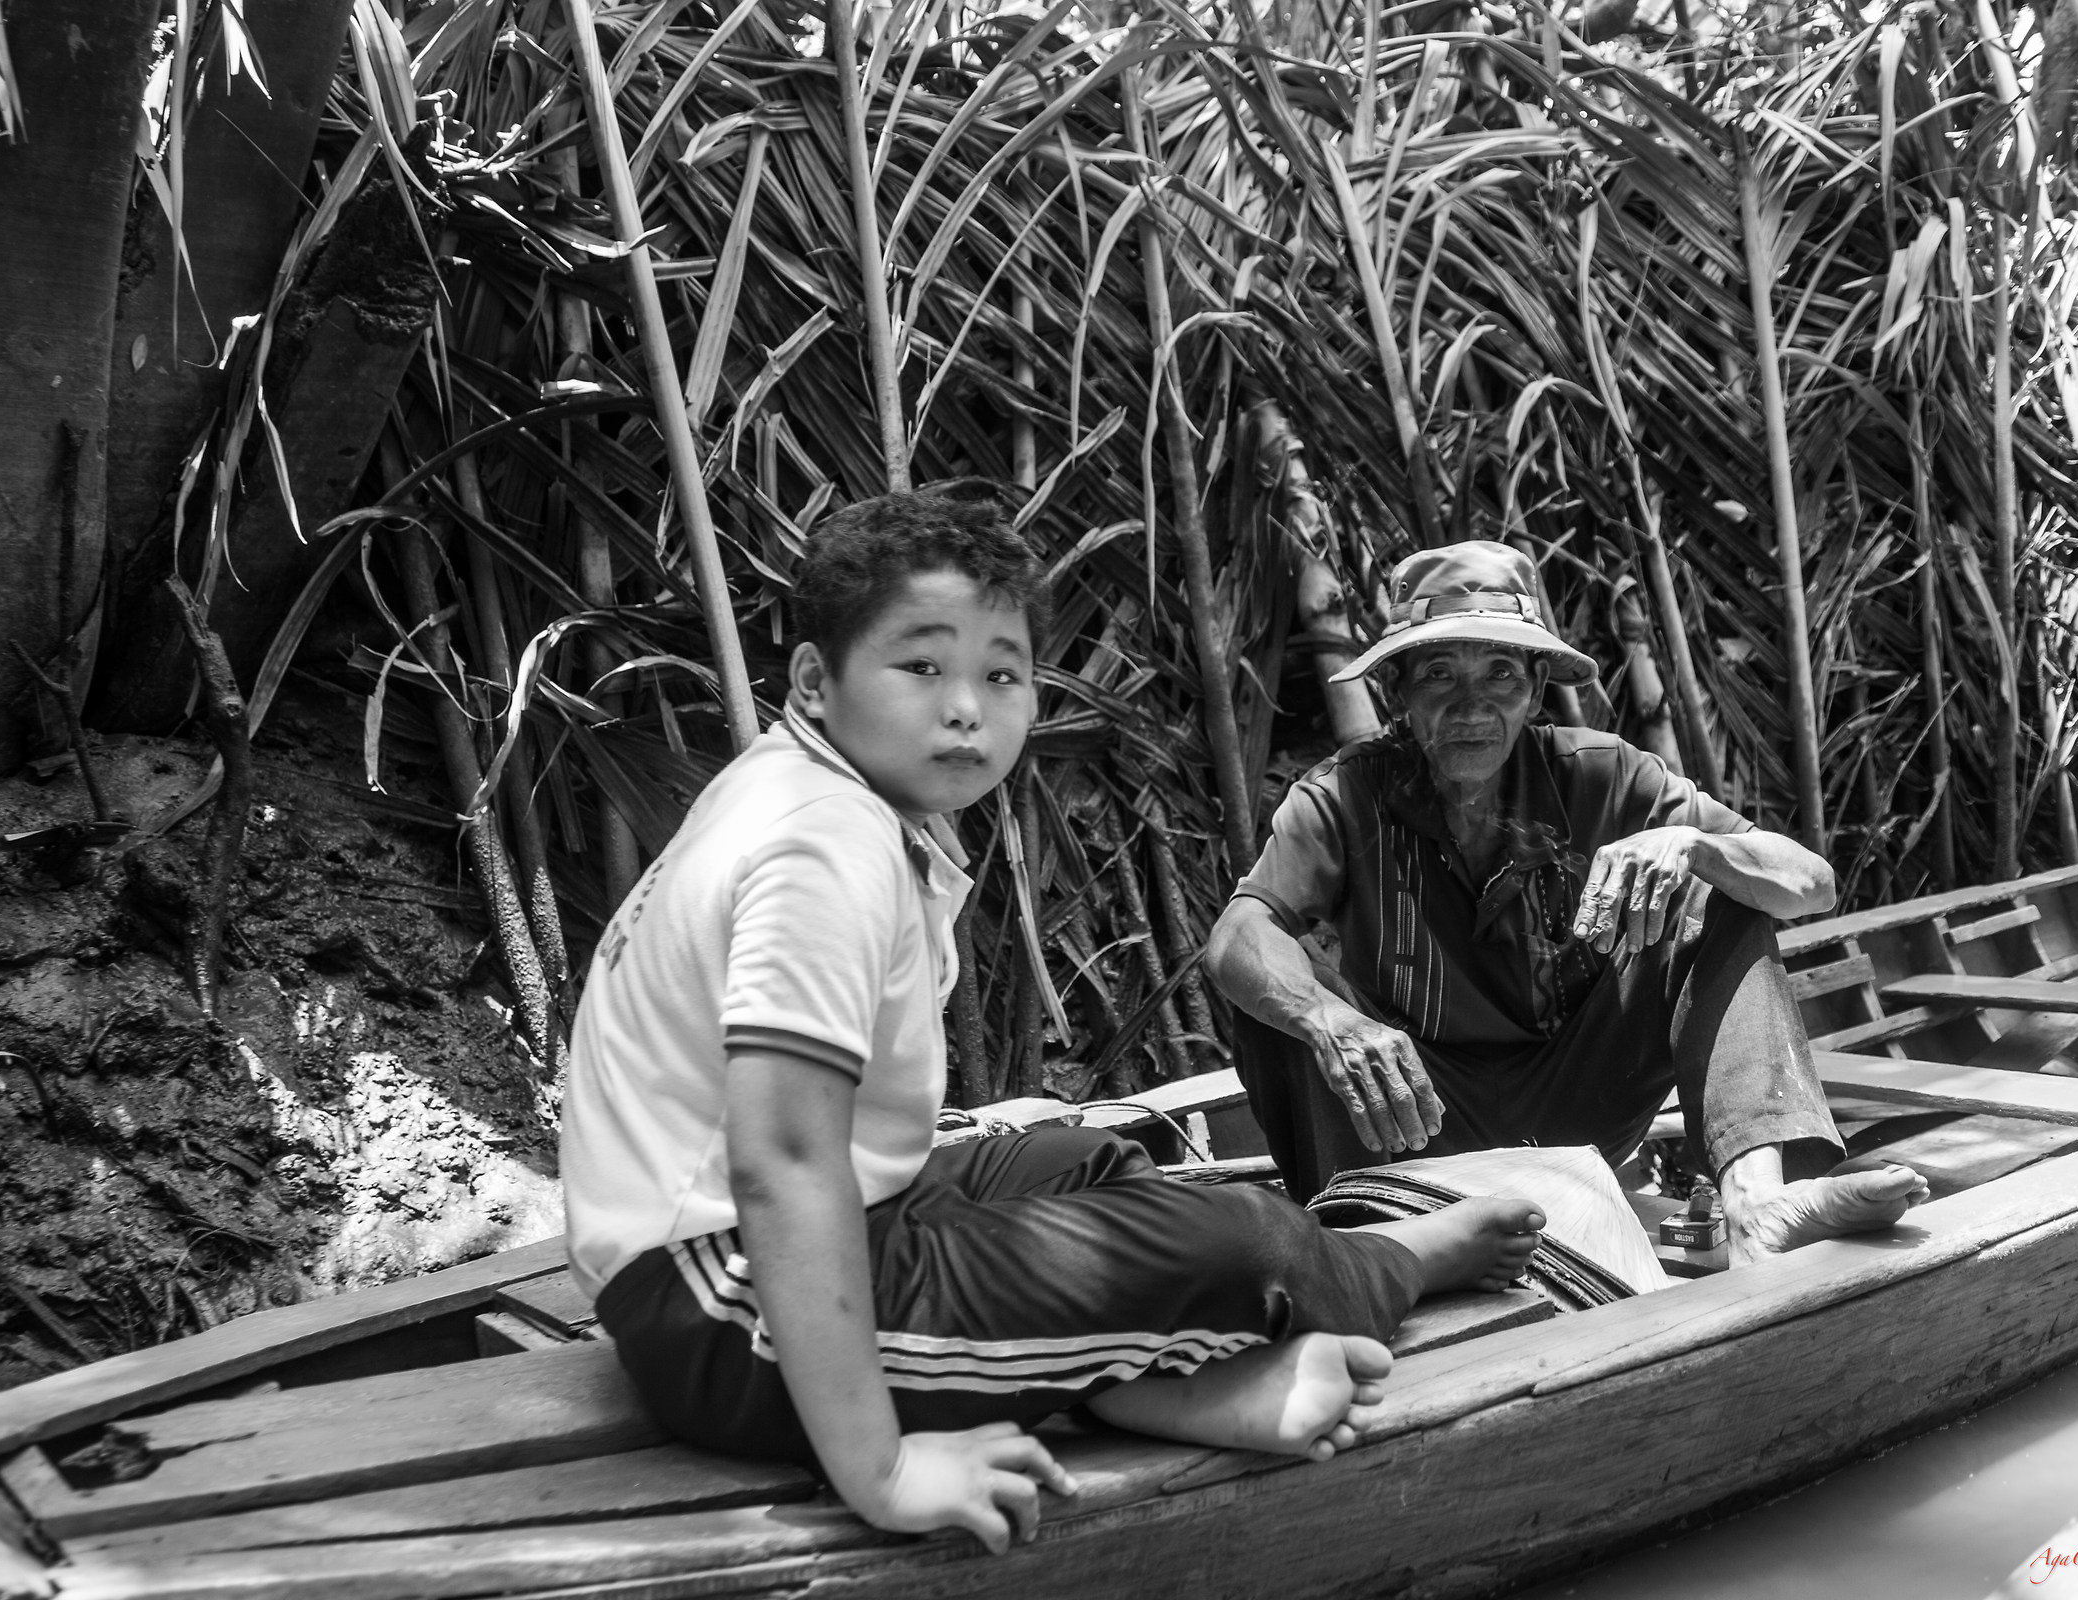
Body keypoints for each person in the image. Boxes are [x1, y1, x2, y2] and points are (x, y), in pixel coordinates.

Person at [561, 492, 1544, 1556]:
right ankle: (1396, 1262)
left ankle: (1145, 1389)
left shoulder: (812, 788)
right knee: (1242, 1238)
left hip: (755, 1243)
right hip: (723, 1309)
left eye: (1000, 674)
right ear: (814, 679)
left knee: (1089, 1156)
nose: (965, 710)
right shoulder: (821, 849)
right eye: (920, 666)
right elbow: (783, 1164)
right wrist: (882, 1470)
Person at [1205, 540, 1928, 1267]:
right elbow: (1235, 935)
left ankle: (1756, 1206)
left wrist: (1695, 847)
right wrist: (1331, 1022)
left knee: (1720, 892)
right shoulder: (1345, 795)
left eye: (1500, 675)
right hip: (1408, 1124)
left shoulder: (1602, 773)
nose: (1471, 706)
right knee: (1276, 982)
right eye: (1437, 675)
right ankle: (1368, 1241)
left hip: (1578, 1108)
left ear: (1537, 685)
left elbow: (1813, 884)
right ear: (1398, 690)